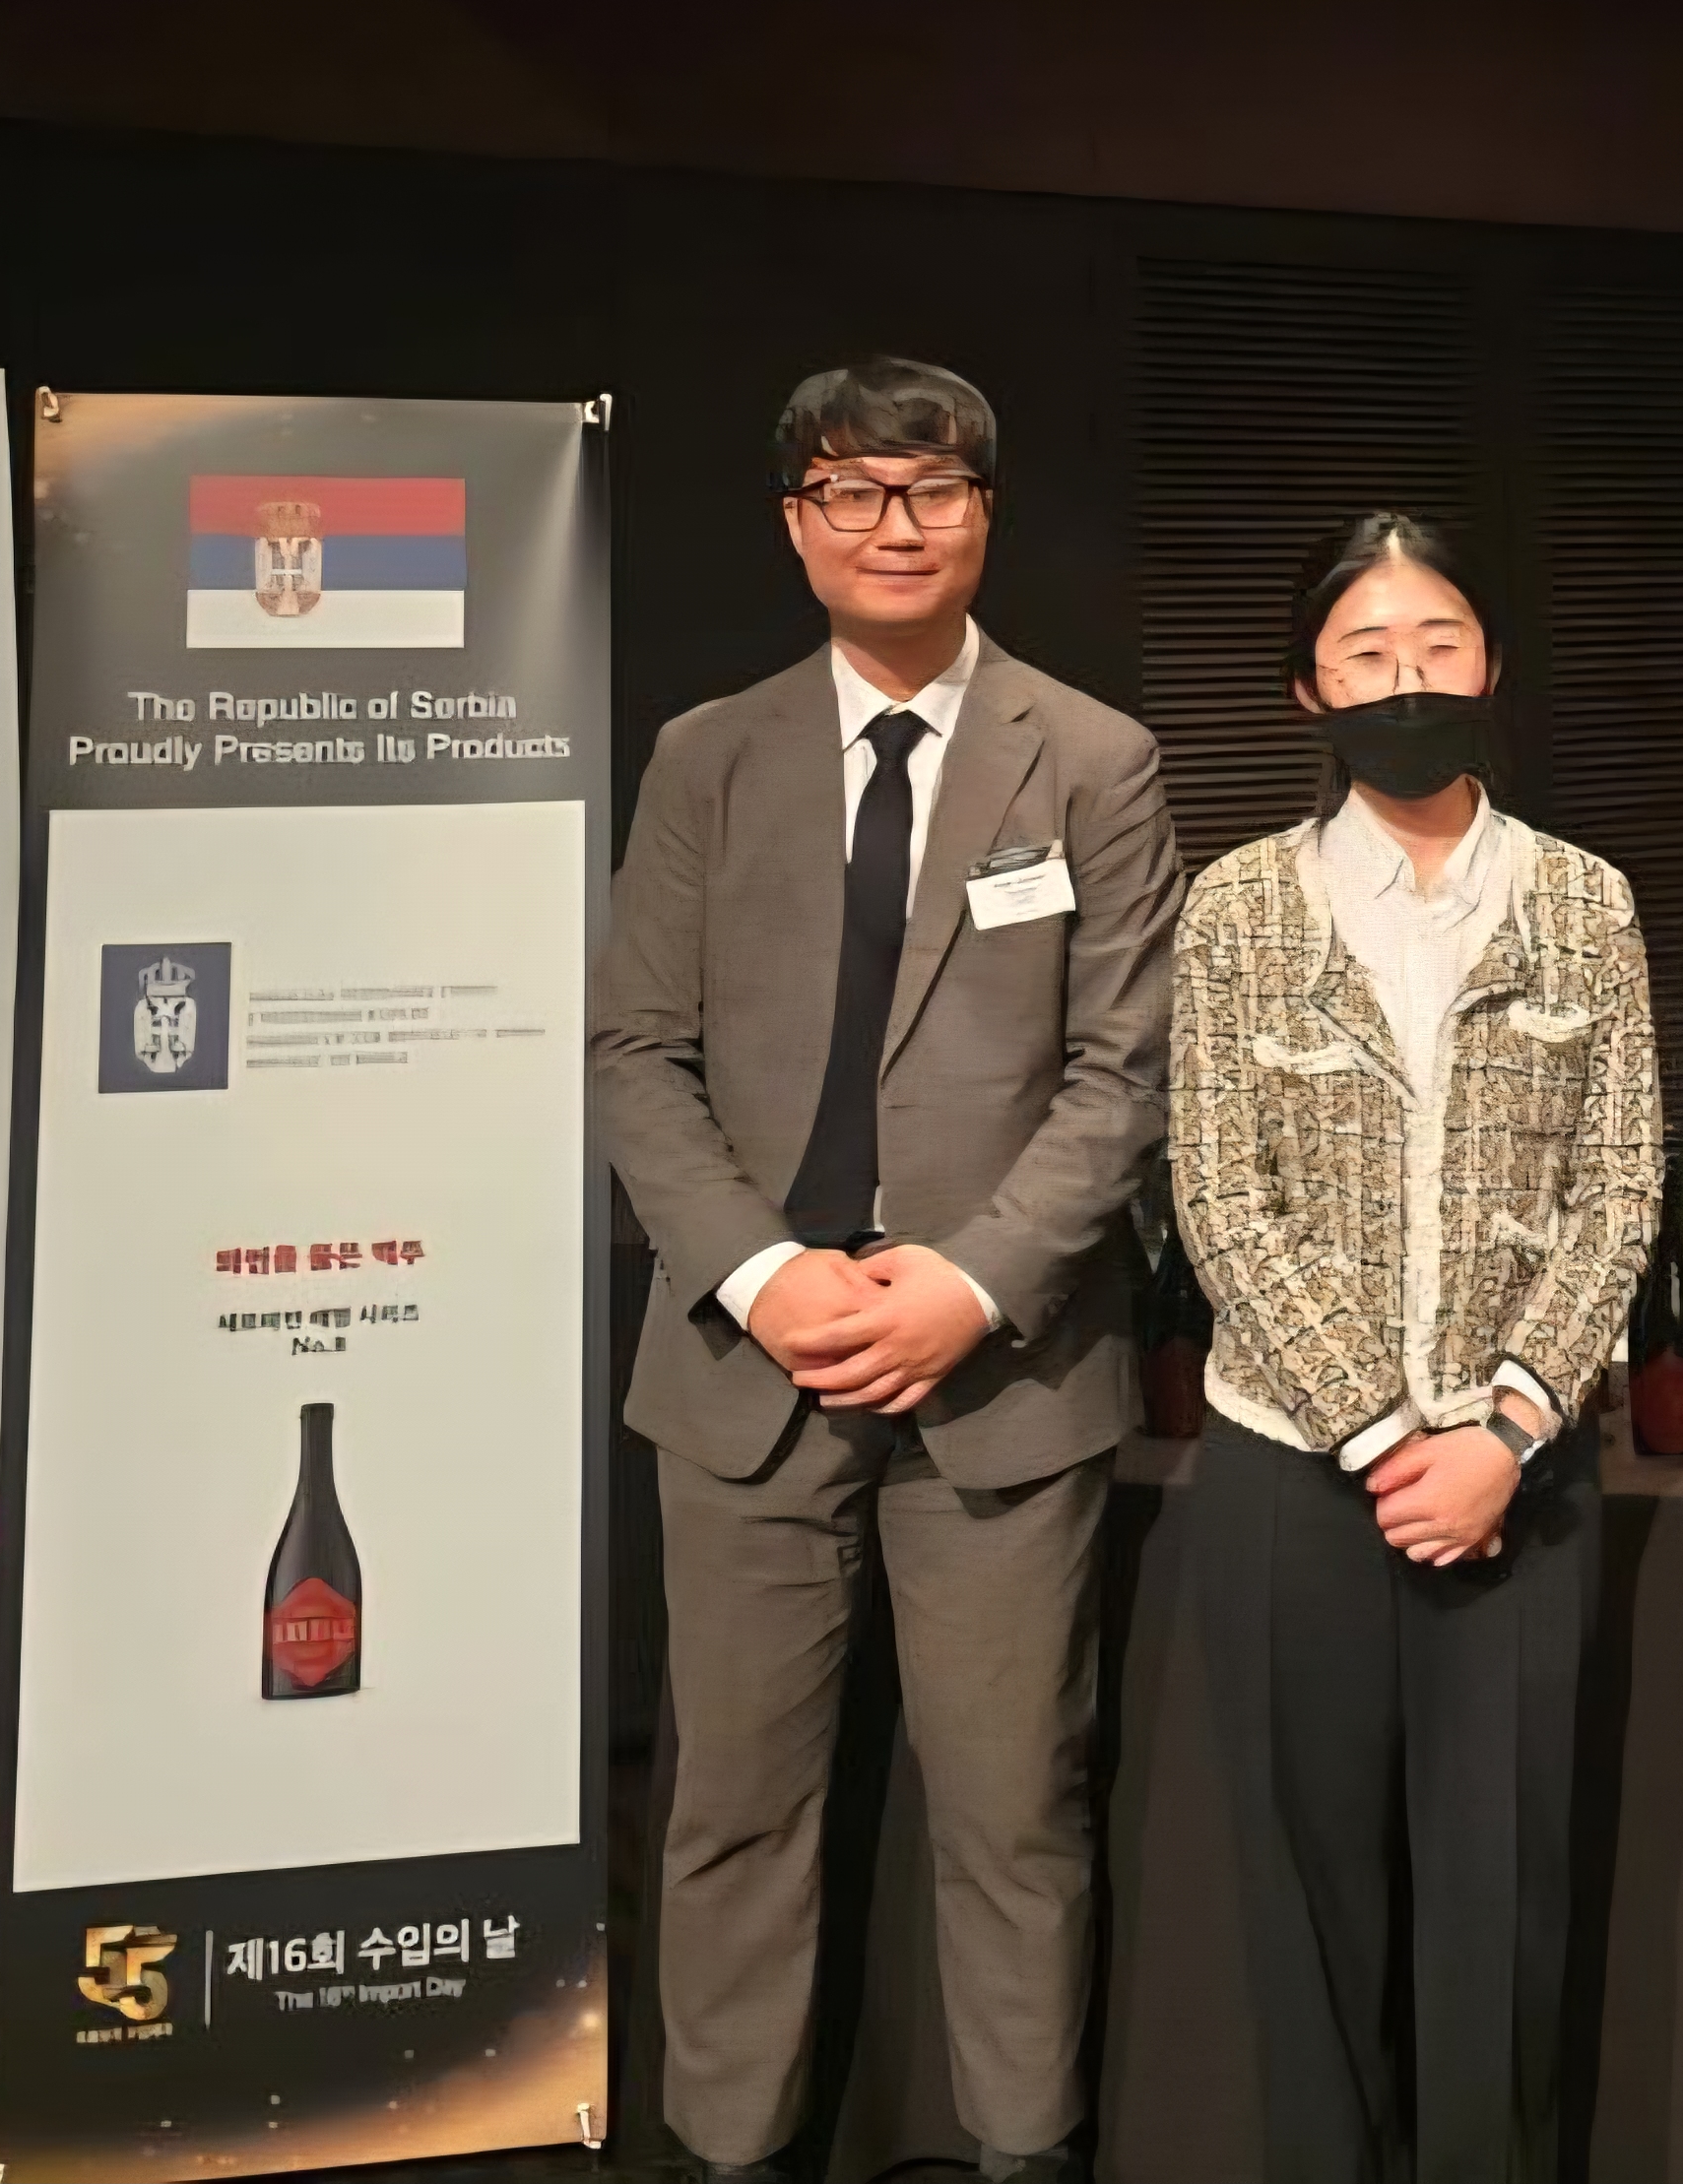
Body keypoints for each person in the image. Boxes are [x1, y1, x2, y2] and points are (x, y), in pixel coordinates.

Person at [592, 356, 1180, 2184]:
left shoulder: (1093, 758)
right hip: (747, 1366)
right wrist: (765, 1274)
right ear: (798, 525)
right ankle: (732, 2152)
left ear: (984, 513)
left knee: (1017, 1813)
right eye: (852, 490)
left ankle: (1024, 2152)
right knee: (730, 1811)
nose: (894, 524)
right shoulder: (708, 755)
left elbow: (1124, 1074)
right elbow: (637, 1055)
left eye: (931, 489)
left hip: (998, 1368)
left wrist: (970, 1285)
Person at [1165, 512, 1660, 2184]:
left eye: (1437, 643)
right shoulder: (1239, 907)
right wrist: (1384, 1440)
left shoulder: (1583, 900)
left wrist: (1504, 1433)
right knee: (1311, 1910)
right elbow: (1221, 1199)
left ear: (1491, 663)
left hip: (1520, 1477)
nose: (1406, 679)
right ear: (1308, 687)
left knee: (1502, 1907)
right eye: (1367, 653)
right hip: (1297, 1477)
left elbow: (1622, 1188)